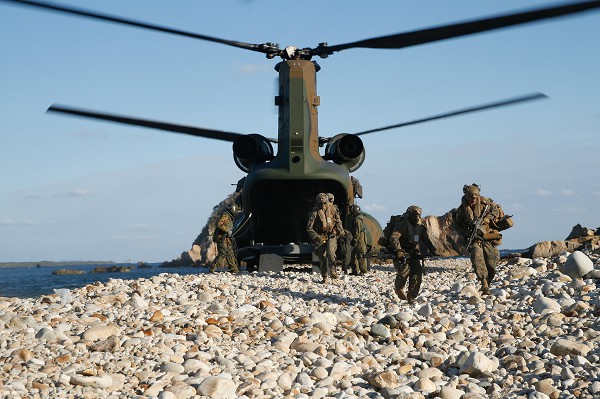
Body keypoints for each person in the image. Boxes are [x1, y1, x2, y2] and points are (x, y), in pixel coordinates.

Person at [455, 184, 509, 295]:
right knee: (477, 260)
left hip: (488, 236)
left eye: (475, 198)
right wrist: (466, 232)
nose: (472, 201)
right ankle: (484, 284)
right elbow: (457, 226)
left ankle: (488, 282)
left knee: (492, 262)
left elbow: (496, 211)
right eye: (470, 198)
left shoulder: (486, 203)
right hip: (474, 238)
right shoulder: (462, 210)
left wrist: (487, 219)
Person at [388, 205, 437, 303]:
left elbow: (426, 240)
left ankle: (411, 296)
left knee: (417, 273)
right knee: (404, 271)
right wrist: (398, 250)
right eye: (414, 216)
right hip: (401, 252)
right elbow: (394, 238)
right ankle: (399, 288)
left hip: (413, 253)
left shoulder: (420, 227)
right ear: (409, 215)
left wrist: (432, 249)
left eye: (418, 216)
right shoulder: (402, 225)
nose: (416, 218)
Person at [306, 192, 344, 283]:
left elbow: (338, 221)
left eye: (324, 203)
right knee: (322, 257)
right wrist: (316, 237)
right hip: (320, 236)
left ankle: (333, 271)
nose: (323, 205)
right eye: (321, 203)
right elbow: (309, 228)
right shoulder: (315, 212)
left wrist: (341, 231)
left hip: (331, 234)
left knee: (331, 252)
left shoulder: (333, 209)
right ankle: (325, 276)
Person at [210, 203, 239, 273]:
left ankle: (233, 269)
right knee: (223, 253)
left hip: (226, 238)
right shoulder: (226, 216)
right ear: (232, 210)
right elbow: (219, 224)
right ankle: (212, 269)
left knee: (230, 252)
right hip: (221, 238)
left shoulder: (229, 216)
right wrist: (227, 230)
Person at [349, 205, 368, 275]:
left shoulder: (357, 220)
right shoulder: (357, 218)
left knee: (360, 255)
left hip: (360, 240)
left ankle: (363, 271)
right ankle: (355, 270)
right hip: (358, 239)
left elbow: (357, 231)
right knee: (353, 255)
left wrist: (355, 240)